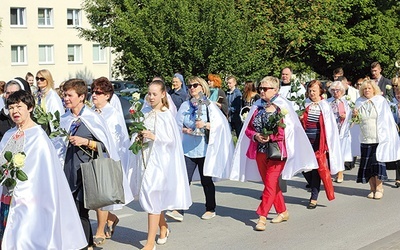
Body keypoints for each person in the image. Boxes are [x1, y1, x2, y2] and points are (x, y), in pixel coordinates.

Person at [0, 90, 87, 249]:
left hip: (29, 198)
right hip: (6, 195)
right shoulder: (9, 134)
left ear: (30, 107)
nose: (15, 111)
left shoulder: (38, 136)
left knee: (25, 239)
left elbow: (43, 172)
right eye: (11, 107)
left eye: (19, 106)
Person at [230, 76, 318, 231]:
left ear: (275, 90)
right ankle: (283, 211)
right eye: (260, 88)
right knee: (270, 184)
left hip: (277, 152)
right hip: (260, 151)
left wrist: (270, 136)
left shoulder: (282, 106)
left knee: (270, 183)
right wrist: (256, 136)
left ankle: (262, 216)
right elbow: (248, 129)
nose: (262, 91)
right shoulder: (257, 106)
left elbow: (288, 131)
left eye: (265, 89)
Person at [55, 79, 121, 248]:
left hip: (88, 173)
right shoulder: (64, 118)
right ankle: (88, 244)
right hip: (68, 171)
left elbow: (105, 148)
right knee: (74, 213)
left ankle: (85, 245)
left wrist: (86, 142)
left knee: (80, 212)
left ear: (81, 96)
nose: (66, 98)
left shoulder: (93, 118)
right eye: (64, 95)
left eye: (70, 95)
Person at [128, 80, 192, 250]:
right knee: (148, 198)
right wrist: (139, 137)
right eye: (149, 93)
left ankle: (149, 243)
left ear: (163, 94)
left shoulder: (166, 115)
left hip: (160, 163)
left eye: (154, 94)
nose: (150, 97)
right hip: (145, 159)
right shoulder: (144, 112)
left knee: (152, 197)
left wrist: (154, 137)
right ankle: (163, 227)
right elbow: (136, 131)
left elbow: (172, 142)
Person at [168, 76, 234, 222]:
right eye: (190, 86)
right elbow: (177, 125)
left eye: (195, 85)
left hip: (204, 149)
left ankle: (210, 208)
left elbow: (220, 125)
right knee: (184, 179)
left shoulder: (209, 105)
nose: (192, 88)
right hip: (188, 149)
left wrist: (205, 125)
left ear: (202, 87)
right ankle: (179, 209)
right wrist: (185, 130)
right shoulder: (185, 105)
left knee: (206, 181)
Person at [90, 77, 134, 244]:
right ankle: (112, 218)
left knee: (101, 198)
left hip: (106, 158)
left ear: (107, 95)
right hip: (91, 158)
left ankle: (100, 231)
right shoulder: (91, 111)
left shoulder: (113, 114)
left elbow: (118, 140)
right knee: (94, 198)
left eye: (98, 92)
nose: (94, 95)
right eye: (93, 91)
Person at [353, 79, 400, 199]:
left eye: (369, 88)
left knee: (377, 163)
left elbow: (386, 118)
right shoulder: (359, 101)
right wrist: (354, 115)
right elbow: (354, 121)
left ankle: (379, 187)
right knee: (367, 164)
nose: (367, 90)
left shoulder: (380, 101)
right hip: (365, 137)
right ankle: (372, 188)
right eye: (364, 88)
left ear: (374, 90)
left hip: (378, 137)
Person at [302, 80, 343, 209]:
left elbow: (329, 126)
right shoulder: (305, 104)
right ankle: (314, 186)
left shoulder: (324, 105)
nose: (312, 93)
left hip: (318, 142)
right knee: (304, 168)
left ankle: (314, 197)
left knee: (316, 169)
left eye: (314, 90)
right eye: (310, 90)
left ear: (320, 91)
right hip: (305, 140)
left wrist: (327, 144)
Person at [327, 81, 353, 183]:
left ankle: (340, 173)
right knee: (331, 152)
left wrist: (347, 116)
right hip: (331, 131)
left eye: (337, 90)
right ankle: (331, 171)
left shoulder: (347, 102)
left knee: (341, 152)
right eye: (333, 90)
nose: (335, 92)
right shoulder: (328, 101)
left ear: (342, 91)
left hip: (343, 130)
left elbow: (352, 116)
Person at [386, 77, 400, 187]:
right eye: (397, 94)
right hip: (396, 132)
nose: (398, 96)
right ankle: (398, 178)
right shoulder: (391, 104)